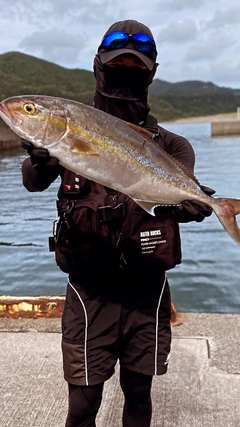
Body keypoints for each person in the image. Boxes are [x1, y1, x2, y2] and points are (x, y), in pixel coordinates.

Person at [21, 19, 214, 427]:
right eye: (117, 66)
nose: (126, 75)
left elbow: (173, 197)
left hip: (148, 291)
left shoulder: (173, 146)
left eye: (136, 68)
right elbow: (32, 182)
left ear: (151, 74)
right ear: (98, 66)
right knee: (83, 403)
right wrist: (41, 156)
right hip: (90, 291)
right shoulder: (72, 127)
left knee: (139, 393)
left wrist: (187, 204)